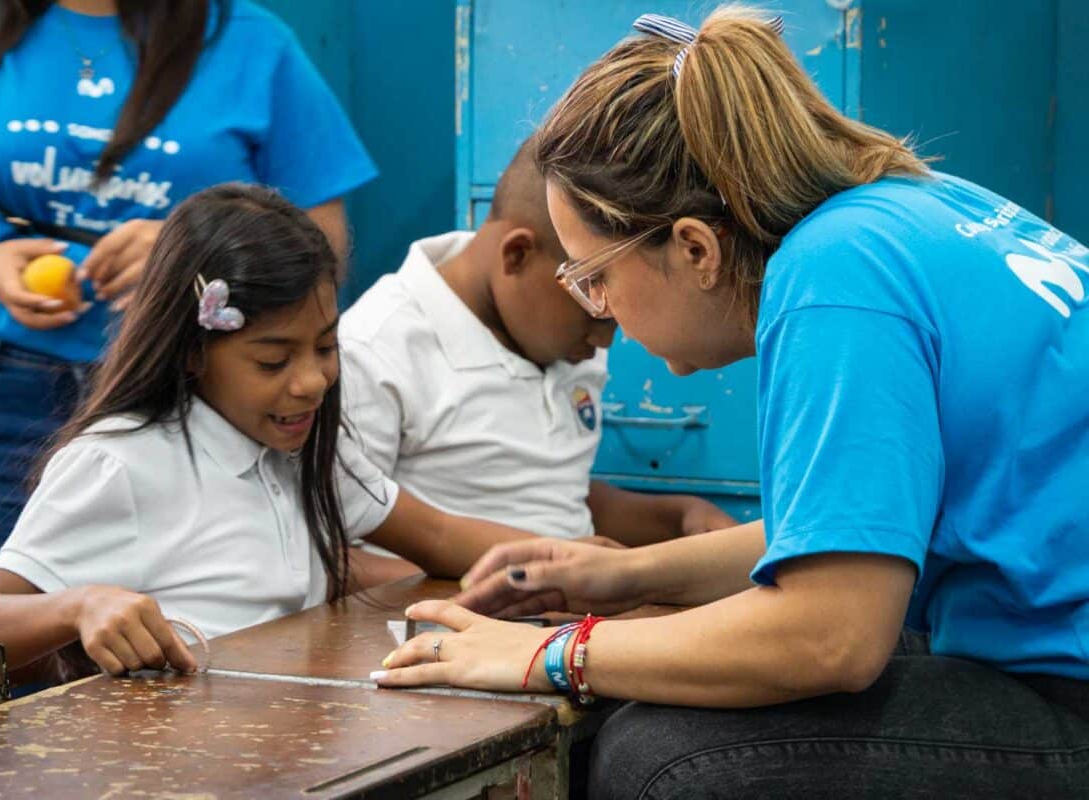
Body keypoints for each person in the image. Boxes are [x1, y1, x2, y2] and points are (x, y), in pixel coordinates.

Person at [369, 8, 1089, 798]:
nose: (598, 309)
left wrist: (551, 653)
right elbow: (848, 539)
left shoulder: (832, 283)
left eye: (595, 275)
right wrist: (625, 576)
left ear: (694, 248)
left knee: (663, 757)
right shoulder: (904, 212)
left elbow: (832, 635)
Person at [0, 184, 543, 678]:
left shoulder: (310, 450)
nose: (312, 380)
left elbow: (438, 535)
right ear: (191, 353)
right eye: (272, 361)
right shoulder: (119, 463)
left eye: (325, 346)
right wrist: (76, 607)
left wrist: (573, 565)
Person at [0, 0, 375, 595]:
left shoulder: (250, 41)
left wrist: (190, 253)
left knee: (174, 647)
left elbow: (323, 241)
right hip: (2, 403)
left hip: (191, 404)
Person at [340, 137, 734, 587]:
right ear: (517, 256)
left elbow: (558, 496)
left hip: (557, 618)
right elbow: (333, 556)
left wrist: (679, 518)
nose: (609, 331)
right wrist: (511, 583)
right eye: (591, 294)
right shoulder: (374, 349)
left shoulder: (564, 340)